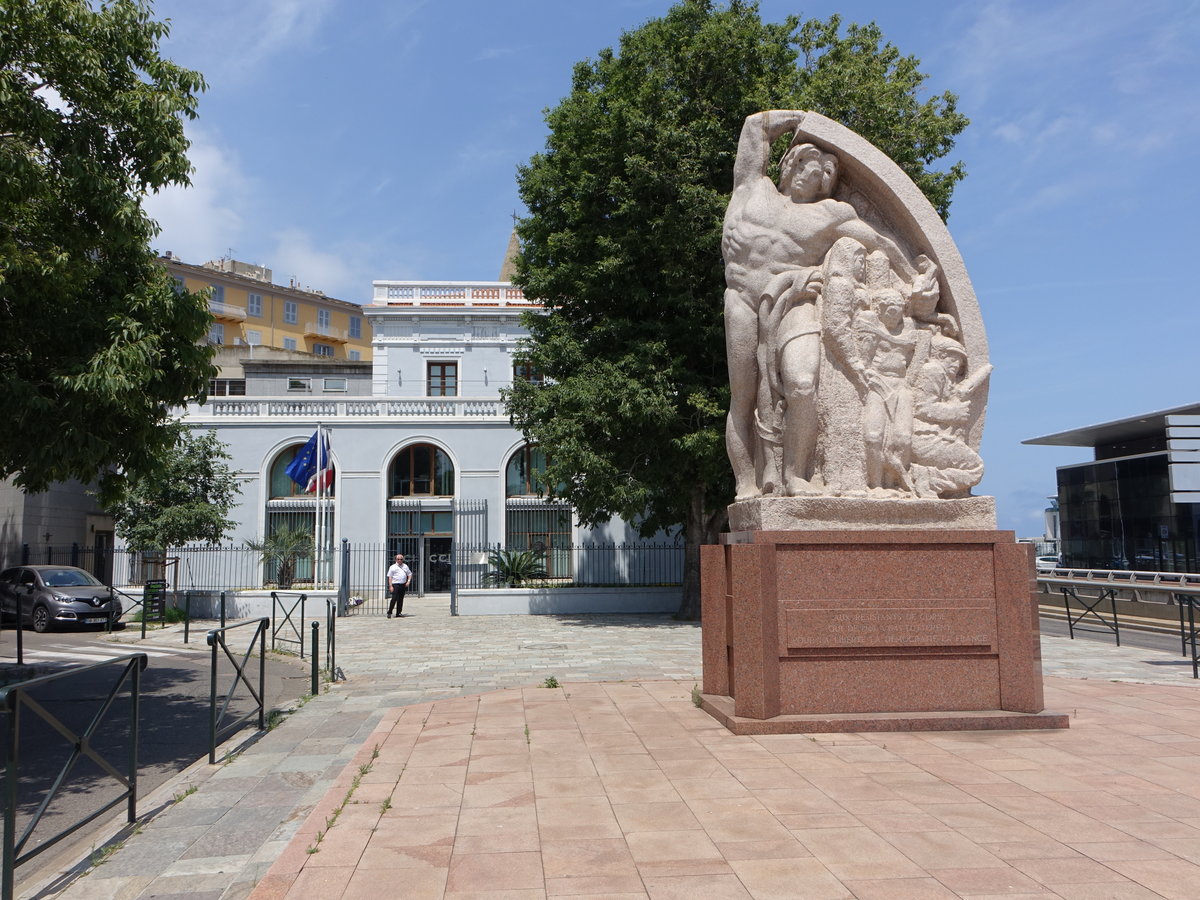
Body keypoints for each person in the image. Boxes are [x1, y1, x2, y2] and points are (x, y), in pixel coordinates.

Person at [722, 110, 924, 499]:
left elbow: (879, 242)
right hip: (743, 300)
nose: (807, 177)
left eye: (818, 174)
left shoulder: (831, 214)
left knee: (801, 384)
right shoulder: (751, 188)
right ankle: (747, 481)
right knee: (743, 397)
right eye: (801, 166)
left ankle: (796, 474)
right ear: (787, 166)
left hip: (797, 298)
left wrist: (916, 277)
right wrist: (802, 120)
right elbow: (754, 127)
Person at [386, 553, 411, 618]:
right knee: (394, 599)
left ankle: (398, 612)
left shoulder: (405, 566)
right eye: (398, 559)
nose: (400, 560)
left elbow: (409, 574)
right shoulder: (392, 567)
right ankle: (390, 612)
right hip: (395, 585)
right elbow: (390, 577)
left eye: (401, 559)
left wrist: (408, 581)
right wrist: (390, 586)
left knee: (400, 599)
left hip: (403, 585)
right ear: (396, 559)